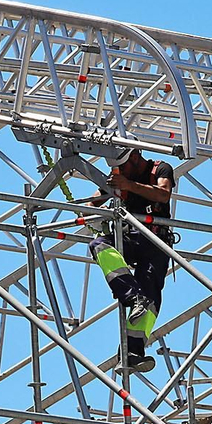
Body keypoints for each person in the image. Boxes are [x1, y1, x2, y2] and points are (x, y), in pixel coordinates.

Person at [86, 147, 175, 373]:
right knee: (99, 245)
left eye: (123, 165)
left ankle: (132, 352)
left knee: (151, 296)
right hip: (131, 238)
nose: (119, 171)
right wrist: (90, 213)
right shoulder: (118, 177)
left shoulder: (160, 169)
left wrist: (129, 186)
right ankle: (133, 298)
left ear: (135, 156)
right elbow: (92, 201)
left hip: (156, 241)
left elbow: (163, 194)